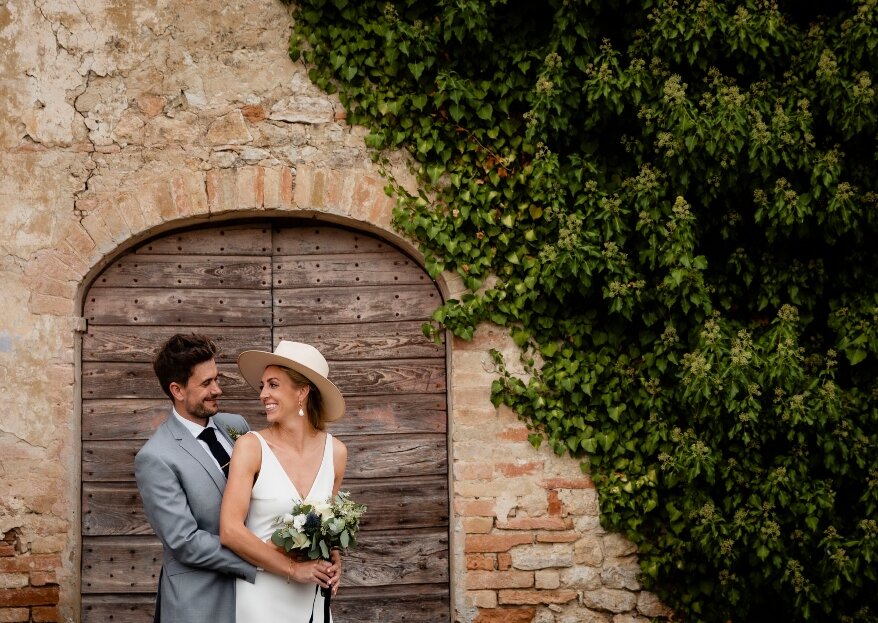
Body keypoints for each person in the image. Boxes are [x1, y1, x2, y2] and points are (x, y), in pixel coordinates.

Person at [134, 333, 288, 623]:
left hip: (259, 597)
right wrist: (266, 560)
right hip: (200, 602)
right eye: (206, 384)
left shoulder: (236, 425)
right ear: (177, 390)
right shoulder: (155, 457)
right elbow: (185, 542)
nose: (217, 389)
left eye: (216, 378)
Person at [220, 340, 348, 623]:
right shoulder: (251, 447)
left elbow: (327, 527)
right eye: (263, 385)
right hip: (261, 597)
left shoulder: (336, 452)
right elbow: (230, 530)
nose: (263, 394)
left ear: (302, 392)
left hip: (313, 595)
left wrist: (334, 558)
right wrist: (292, 569)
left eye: (273, 385)